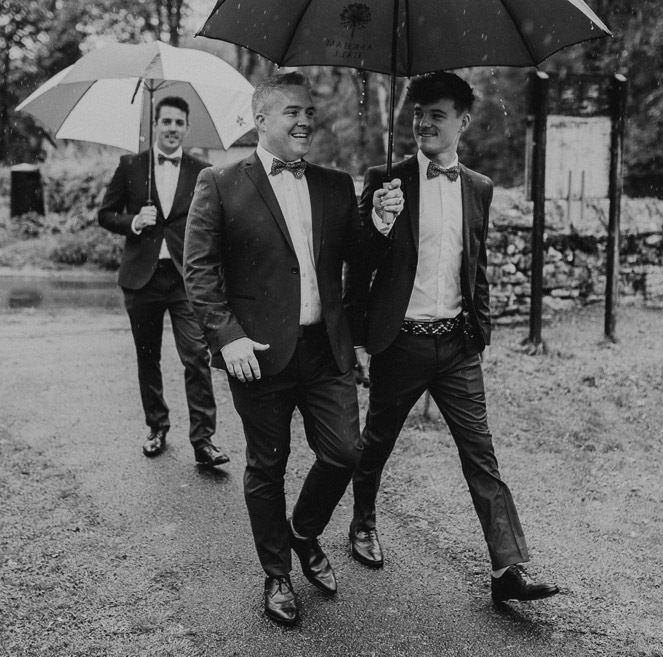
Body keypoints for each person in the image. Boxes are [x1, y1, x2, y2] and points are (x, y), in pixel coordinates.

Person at [345, 71, 559, 603]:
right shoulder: (386, 179)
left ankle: (506, 570)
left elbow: (475, 266)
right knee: (377, 443)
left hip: (458, 347)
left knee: (481, 454)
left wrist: (478, 332)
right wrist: (379, 223)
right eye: (418, 114)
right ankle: (363, 523)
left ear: (462, 121)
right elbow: (358, 263)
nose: (423, 123)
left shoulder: (479, 188)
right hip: (400, 342)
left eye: (436, 115)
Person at [184, 71, 378, 626]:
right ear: (261, 119)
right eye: (292, 111)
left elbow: (361, 259)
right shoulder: (220, 182)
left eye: (309, 112)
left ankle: (303, 532)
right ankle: (277, 575)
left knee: (346, 453)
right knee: (267, 466)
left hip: (325, 349)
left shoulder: (336, 185)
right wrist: (227, 337)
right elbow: (199, 271)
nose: (305, 121)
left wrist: (380, 223)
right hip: (258, 353)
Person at [98, 96, 228, 468]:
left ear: (187, 127)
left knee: (196, 357)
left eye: (178, 122)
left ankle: (203, 440)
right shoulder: (131, 166)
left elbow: (215, 223)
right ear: (155, 124)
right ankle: (157, 427)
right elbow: (105, 214)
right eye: (166, 121)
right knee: (147, 356)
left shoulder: (203, 171)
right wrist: (134, 221)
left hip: (187, 279)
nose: (172, 128)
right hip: (142, 278)